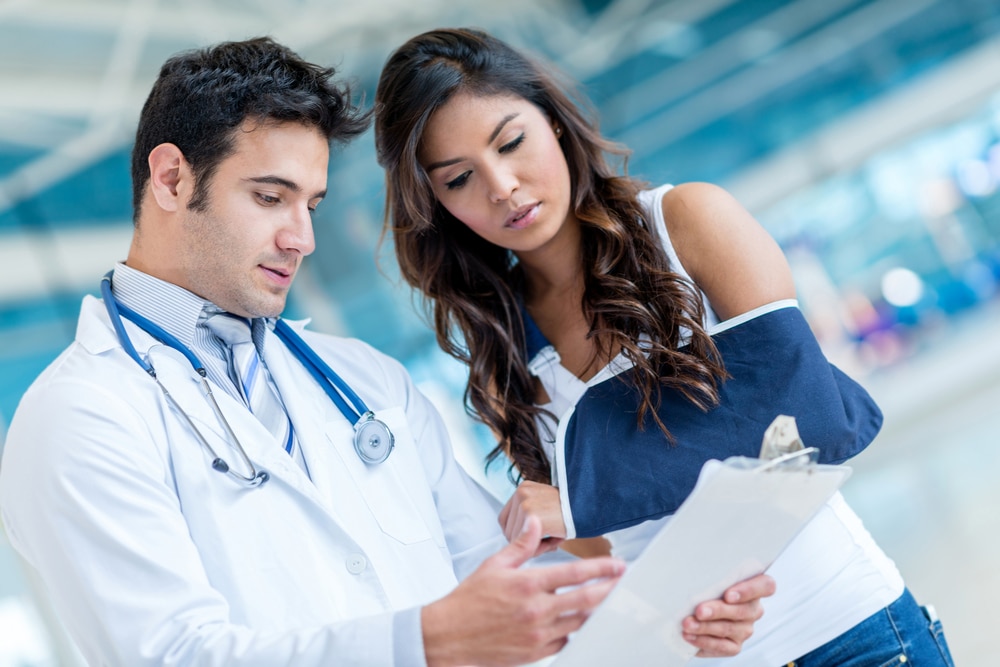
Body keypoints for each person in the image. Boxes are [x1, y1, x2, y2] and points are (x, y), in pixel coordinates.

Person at [0, 37, 774, 667]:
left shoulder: (364, 380)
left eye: (311, 204)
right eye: (269, 197)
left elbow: (508, 584)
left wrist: (672, 611)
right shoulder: (78, 417)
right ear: (171, 178)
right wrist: (424, 643)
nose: (300, 237)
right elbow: (172, 653)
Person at [373, 27, 956, 667]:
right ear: (436, 202)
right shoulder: (503, 353)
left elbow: (809, 415)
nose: (503, 185)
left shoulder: (686, 224)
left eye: (512, 142)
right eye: (459, 179)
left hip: (852, 634)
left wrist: (586, 495)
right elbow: (601, 555)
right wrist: (678, 617)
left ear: (555, 123)